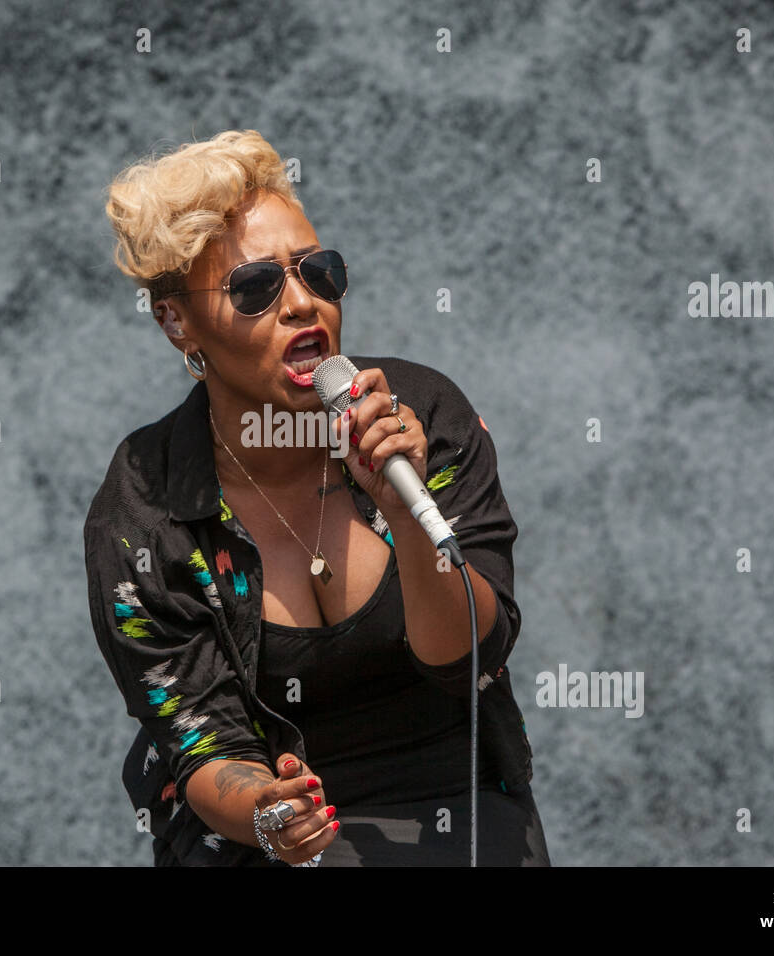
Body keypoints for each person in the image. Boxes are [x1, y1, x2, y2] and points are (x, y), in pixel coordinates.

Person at [86, 129, 548, 866]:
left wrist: (401, 509)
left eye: (318, 271)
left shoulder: (419, 414)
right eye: (256, 286)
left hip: (454, 803)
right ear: (178, 322)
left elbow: (472, 655)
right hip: (259, 838)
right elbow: (203, 744)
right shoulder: (147, 504)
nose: (303, 303)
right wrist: (267, 813)